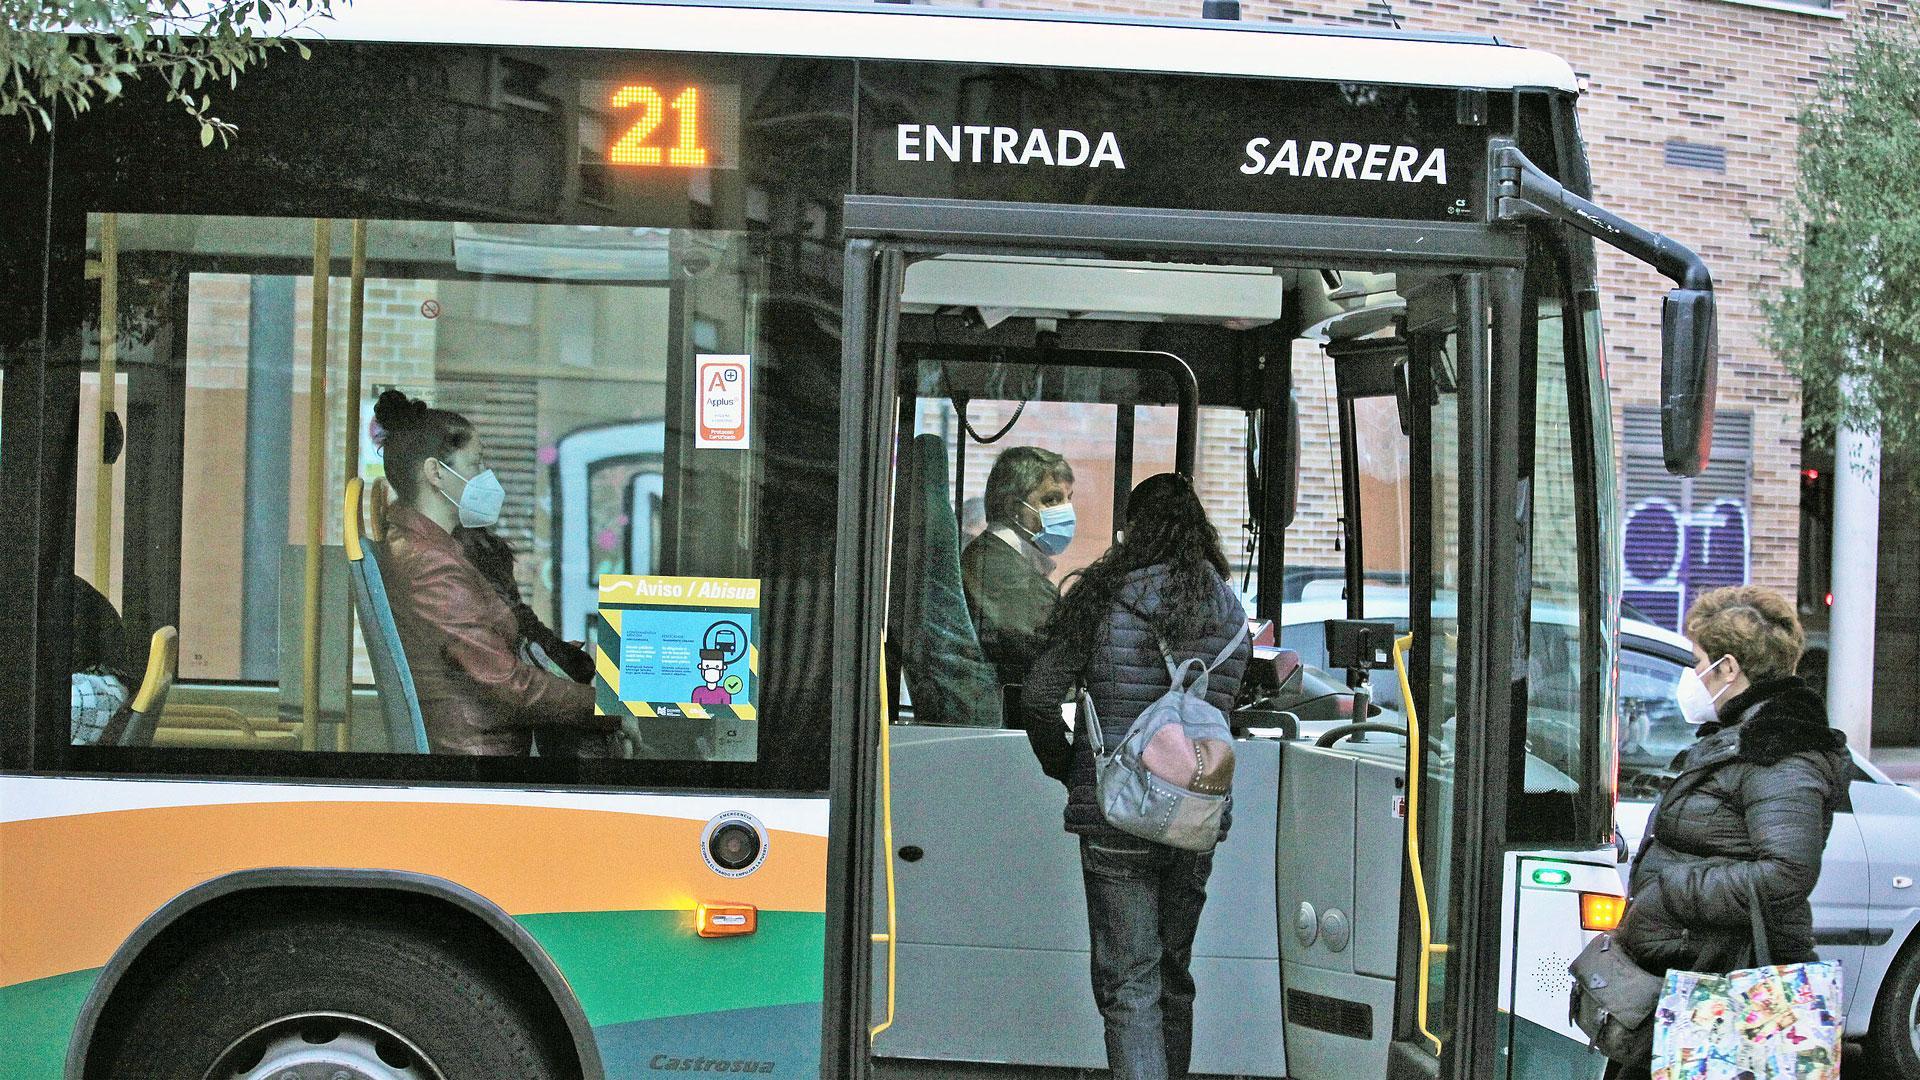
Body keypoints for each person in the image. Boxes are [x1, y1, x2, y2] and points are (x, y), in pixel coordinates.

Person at [1021, 472, 1251, 1080]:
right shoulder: (1230, 613)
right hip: (1194, 817)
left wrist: (1070, 769)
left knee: (1130, 985)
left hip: (1117, 817)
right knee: (1173, 976)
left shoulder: (1106, 597)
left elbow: (1041, 697)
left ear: (1132, 531)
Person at [1608, 585, 1850, 1080]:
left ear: (1730, 669)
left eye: (1698, 662)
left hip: (1726, 984)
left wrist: (1671, 893)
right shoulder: (1741, 738)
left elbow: (1786, 873)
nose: (1690, 678)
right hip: (1694, 974)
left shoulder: (1781, 752)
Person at [372, 389, 615, 756]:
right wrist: (608, 709)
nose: (487, 476)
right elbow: (510, 684)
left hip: (484, 734)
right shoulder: (431, 566)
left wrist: (555, 656)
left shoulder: (437, 547)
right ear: (436, 473)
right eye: (475, 464)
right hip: (480, 752)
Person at [960, 446, 1075, 721]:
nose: (1066, 512)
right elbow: (1056, 655)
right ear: (1014, 508)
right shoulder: (999, 570)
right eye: (1051, 499)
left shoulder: (1003, 560)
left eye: (1068, 499)